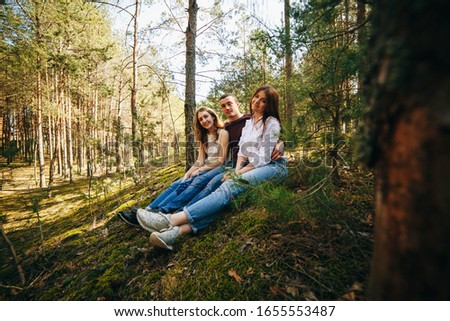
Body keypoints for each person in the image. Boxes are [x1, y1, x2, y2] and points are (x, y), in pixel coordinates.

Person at [136, 85, 288, 250]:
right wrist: (236, 172)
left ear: (269, 104)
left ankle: (169, 220)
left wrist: (280, 144)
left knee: (228, 186)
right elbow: (243, 152)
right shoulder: (249, 123)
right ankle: (177, 232)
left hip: (272, 166)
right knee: (230, 201)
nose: (257, 102)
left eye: (263, 100)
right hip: (247, 166)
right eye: (256, 97)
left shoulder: (269, 122)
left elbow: (262, 157)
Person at [118, 106, 228, 225]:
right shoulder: (203, 136)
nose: (204, 121)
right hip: (204, 167)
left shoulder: (223, 133)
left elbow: (220, 160)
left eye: (206, 116)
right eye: (201, 119)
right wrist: (187, 173)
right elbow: (200, 160)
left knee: (191, 184)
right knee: (177, 184)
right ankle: (148, 210)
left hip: (214, 168)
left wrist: (200, 170)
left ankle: (159, 213)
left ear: (213, 116)